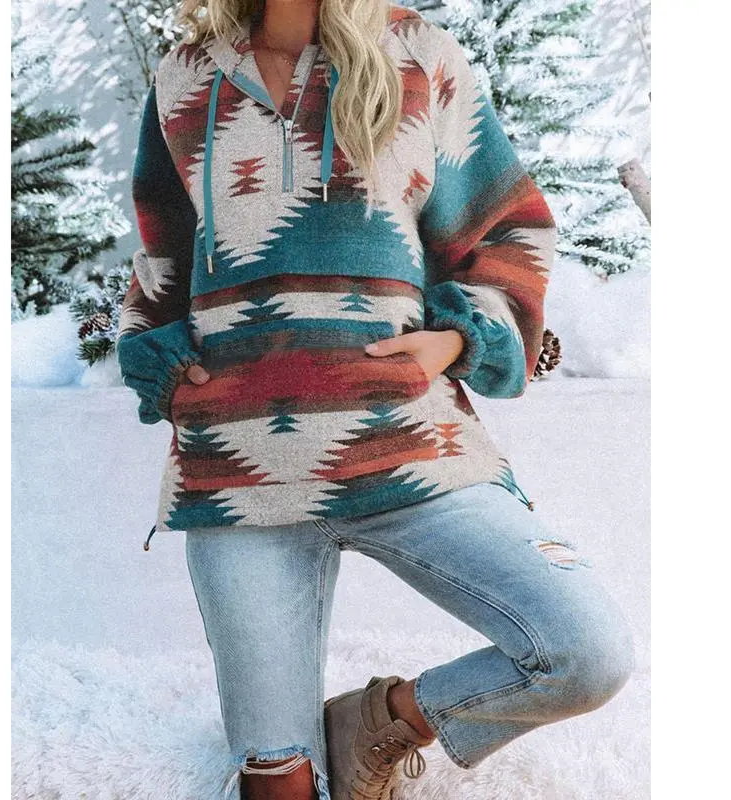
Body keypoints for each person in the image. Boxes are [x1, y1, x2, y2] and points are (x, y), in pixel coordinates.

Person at [115, 1, 635, 798]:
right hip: (240, 478)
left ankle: (381, 718)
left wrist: (458, 338)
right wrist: (156, 356)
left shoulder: (420, 54)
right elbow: (162, 257)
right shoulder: (184, 76)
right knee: (277, 784)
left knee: (586, 653)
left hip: (414, 452)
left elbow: (509, 229)